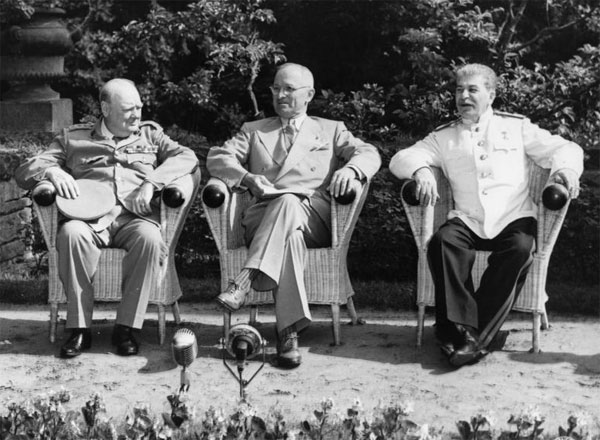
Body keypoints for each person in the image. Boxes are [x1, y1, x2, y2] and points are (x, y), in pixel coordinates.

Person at [389, 63, 583, 367]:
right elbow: (401, 158)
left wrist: (566, 170)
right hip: (468, 219)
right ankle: (467, 332)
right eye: (458, 89)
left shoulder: (516, 127)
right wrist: (421, 170)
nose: (463, 96)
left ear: (491, 94)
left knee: (520, 249)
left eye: (472, 89)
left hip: (513, 217)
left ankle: (468, 334)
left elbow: (565, 148)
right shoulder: (444, 136)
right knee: (443, 242)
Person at [206, 63, 381, 368]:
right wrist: (247, 178)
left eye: (289, 89)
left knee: (289, 202)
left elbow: (369, 153)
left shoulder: (331, 129)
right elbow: (217, 158)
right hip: (263, 220)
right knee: (290, 232)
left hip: (315, 217)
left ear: (309, 94)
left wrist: (352, 169)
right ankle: (288, 332)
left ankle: (245, 282)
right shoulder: (254, 130)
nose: (281, 95)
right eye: (276, 88)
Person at [15, 78, 199, 358]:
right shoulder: (73, 138)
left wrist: (152, 182)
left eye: (139, 107)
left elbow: (187, 158)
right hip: (89, 220)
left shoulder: (151, 136)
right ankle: (79, 329)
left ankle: (127, 328)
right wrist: (52, 171)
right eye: (128, 110)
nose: (137, 114)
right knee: (70, 234)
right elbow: (24, 171)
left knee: (150, 238)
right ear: (105, 108)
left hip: (133, 218)